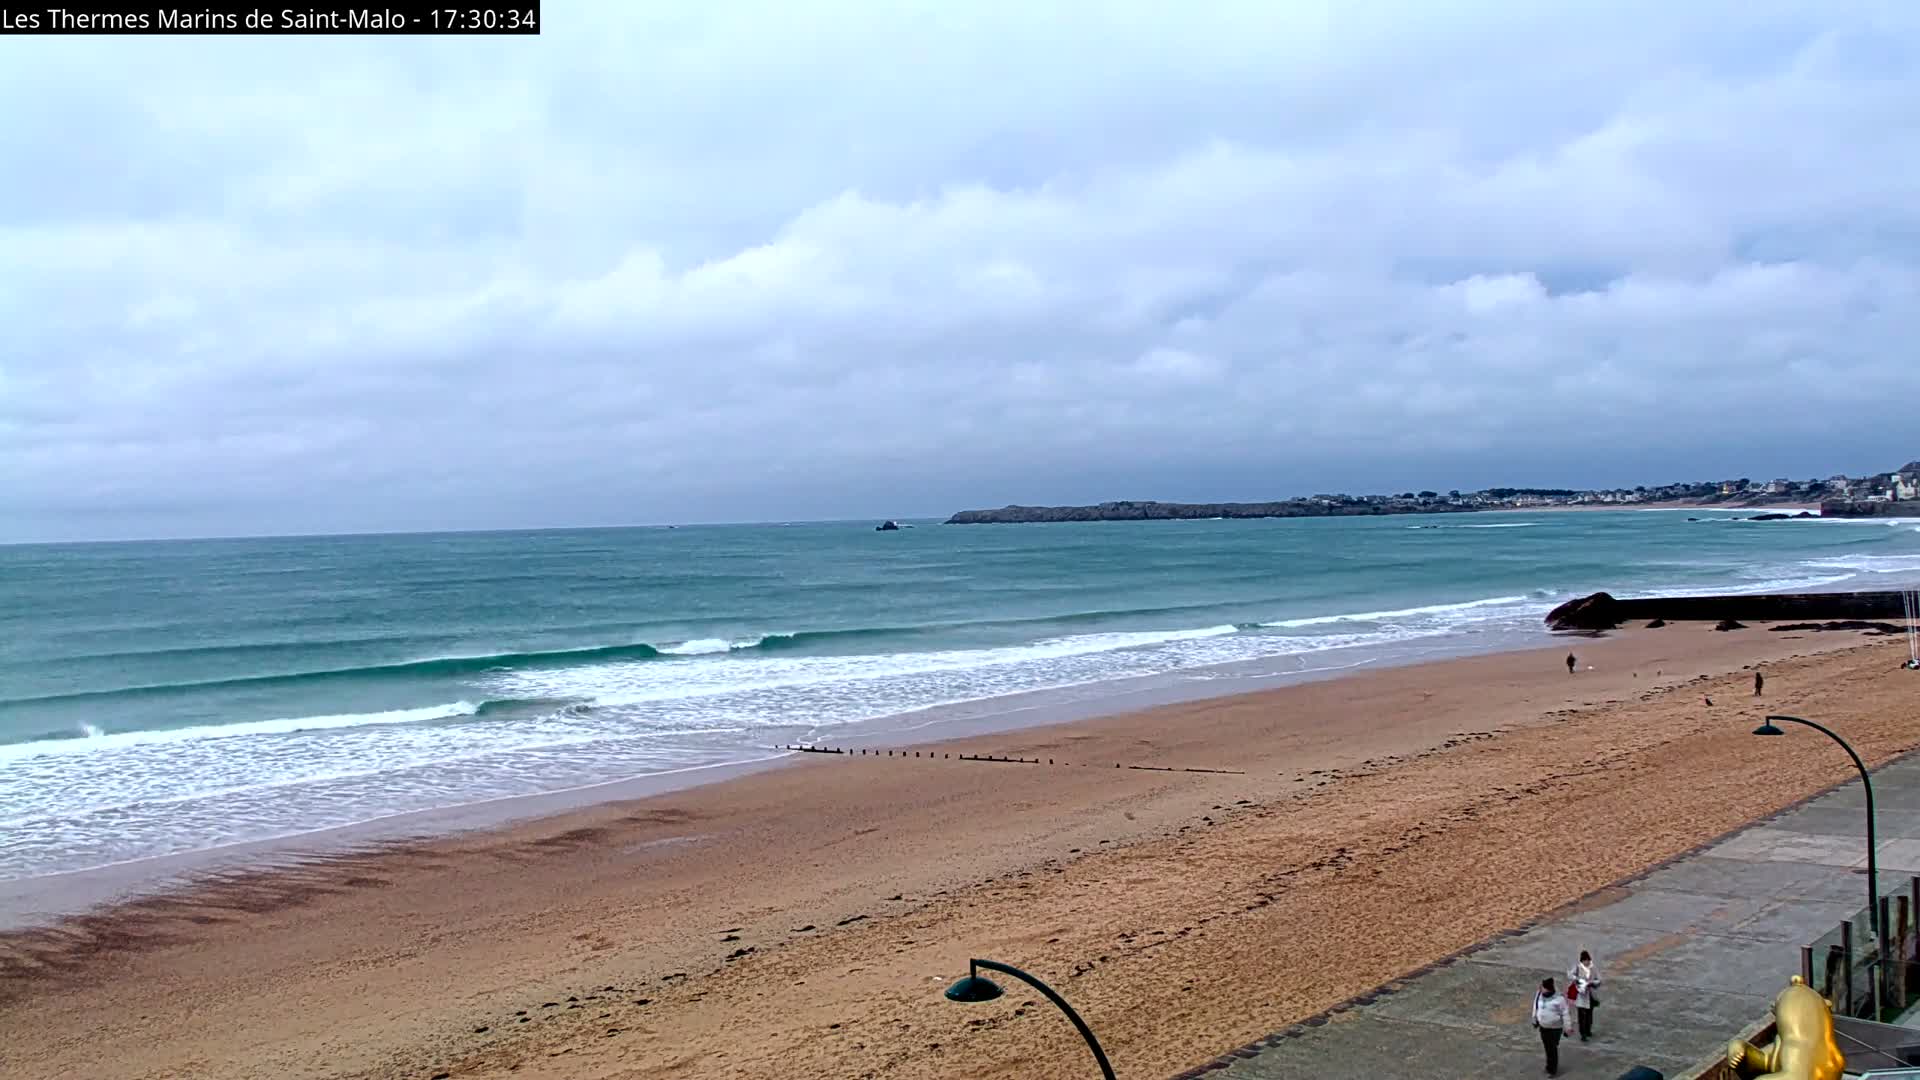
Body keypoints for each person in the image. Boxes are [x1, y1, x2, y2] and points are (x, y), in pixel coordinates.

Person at [1533, 976, 1569, 1075]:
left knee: (1552, 1048)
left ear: (1548, 988)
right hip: (1543, 1026)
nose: (1541, 988)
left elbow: (1565, 1013)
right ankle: (1549, 1066)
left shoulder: (1559, 999)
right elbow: (1535, 1006)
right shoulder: (1539, 994)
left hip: (1555, 1028)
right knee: (1548, 1047)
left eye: (1543, 987)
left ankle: (1552, 1070)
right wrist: (1534, 1018)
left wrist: (1567, 1027)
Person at [1568, 950, 1601, 1040]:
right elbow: (1570, 975)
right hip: (1581, 995)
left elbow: (1599, 979)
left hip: (1590, 994)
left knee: (1589, 1014)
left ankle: (1588, 1030)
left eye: (1587, 960)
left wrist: (1592, 982)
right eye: (1584, 961)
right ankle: (1583, 1033)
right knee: (1582, 1015)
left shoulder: (1593, 968)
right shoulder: (1578, 967)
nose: (1586, 962)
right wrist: (1577, 979)